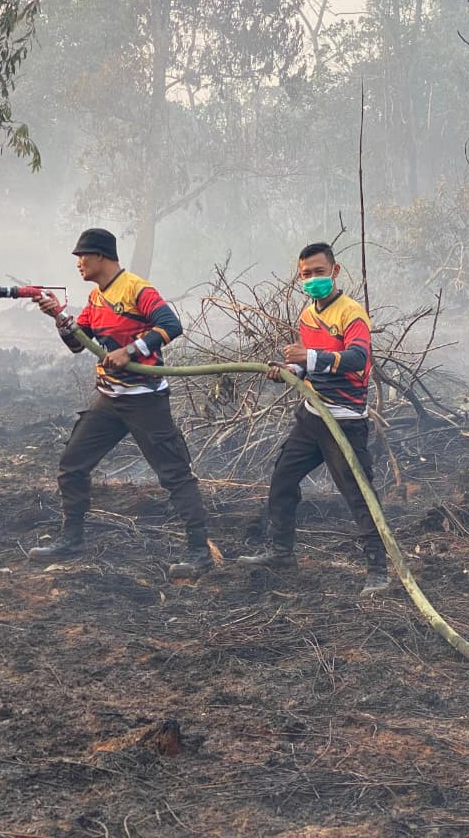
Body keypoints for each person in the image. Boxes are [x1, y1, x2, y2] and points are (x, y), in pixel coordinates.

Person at [30, 228, 213, 578]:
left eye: (82, 257)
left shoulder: (137, 289)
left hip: (146, 401)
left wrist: (130, 350)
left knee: (174, 474)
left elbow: (171, 325)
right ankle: (72, 539)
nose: (78, 264)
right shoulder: (97, 299)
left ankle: (199, 551)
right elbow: (76, 343)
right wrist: (57, 315)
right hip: (110, 400)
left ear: (100, 256)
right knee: (72, 464)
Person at [236, 242, 389, 596]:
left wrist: (310, 357)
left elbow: (357, 359)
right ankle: (281, 551)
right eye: (306, 275)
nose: (312, 280)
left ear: (335, 272)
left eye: (319, 273)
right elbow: (310, 365)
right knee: (282, 478)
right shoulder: (307, 316)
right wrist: (289, 368)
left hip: (345, 421)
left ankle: (378, 571)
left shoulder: (352, 313)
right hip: (312, 416)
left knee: (359, 495)